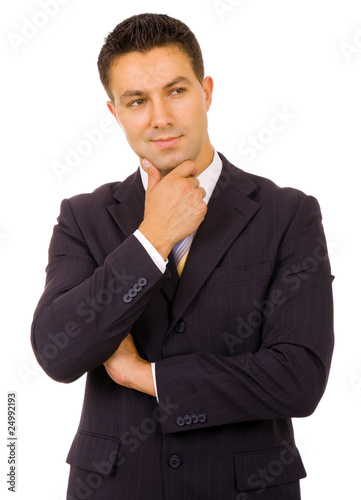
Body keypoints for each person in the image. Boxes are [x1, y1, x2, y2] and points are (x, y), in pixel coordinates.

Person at [31, 13, 334, 500]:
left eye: (176, 91)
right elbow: (57, 353)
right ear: (115, 113)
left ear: (207, 92)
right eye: (137, 100)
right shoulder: (83, 217)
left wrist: (146, 376)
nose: (160, 117)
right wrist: (152, 239)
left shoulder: (288, 215)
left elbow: (299, 379)